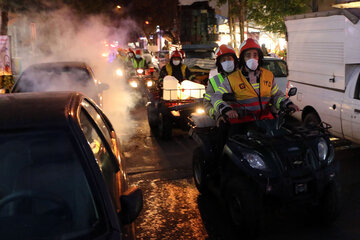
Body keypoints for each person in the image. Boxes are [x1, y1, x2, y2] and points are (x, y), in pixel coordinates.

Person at [210, 38, 299, 131]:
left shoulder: (268, 75)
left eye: (255, 55)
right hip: (241, 124)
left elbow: (276, 95)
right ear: (243, 59)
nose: (252, 58)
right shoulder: (232, 78)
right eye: (248, 55)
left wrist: (287, 104)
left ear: (259, 57)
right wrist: (226, 110)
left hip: (267, 123)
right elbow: (216, 97)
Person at [203, 44, 238, 120]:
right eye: (223, 60)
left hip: (245, 117)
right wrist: (218, 115)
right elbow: (207, 103)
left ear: (234, 60)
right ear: (219, 64)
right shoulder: (213, 81)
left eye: (229, 58)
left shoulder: (243, 76)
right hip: (224, 120)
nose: (227, 62)